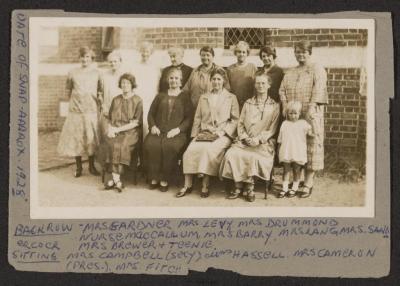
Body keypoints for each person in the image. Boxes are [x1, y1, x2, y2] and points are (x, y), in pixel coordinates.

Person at [177, 67, 239, 198]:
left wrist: (222, 132)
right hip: (204, 133)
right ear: (210, 81)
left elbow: (235, 120)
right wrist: (194, 136)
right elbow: (198, 118)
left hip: (222, 135)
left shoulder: (231, 98)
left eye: (219, 79)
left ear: (223, 81)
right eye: (214, 79)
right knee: (190, 150)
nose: (216, 82)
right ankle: (187, 184)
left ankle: (205, 184)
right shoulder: (204, 97)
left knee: (207, 151)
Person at [220, 72, 280, 202]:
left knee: (253, 156)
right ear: (255, 85)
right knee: (232, 154)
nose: (260, 86)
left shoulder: (274, 106)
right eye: (258, 83)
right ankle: (238, 185)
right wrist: (244, 137)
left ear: (269, 85)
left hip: (262, 143)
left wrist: (258, 139)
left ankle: (249, 187)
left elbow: (272, 128)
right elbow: (240, 123)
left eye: (263, 83)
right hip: (245, 141)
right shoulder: (248, 103)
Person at [279, 40, 328, 198]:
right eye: (297, 52)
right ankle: (296, 181)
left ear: (309, 53)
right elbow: (282, 90)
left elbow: (319, 88)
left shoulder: (316, 68)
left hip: (310, 113)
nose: (300, 55)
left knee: (311, 146)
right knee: (296, 147)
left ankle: (308, 183)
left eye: (303, 52)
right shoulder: (291, 72)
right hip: (293, 116)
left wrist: (311, 108)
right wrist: (285, 105)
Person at [144, 68, 193, 192]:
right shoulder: (160, 95)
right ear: (167, 80)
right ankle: (154, 177)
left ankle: (165, 179)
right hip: (158, 131)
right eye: (171, 78)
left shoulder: (185, 97)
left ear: (181, 81)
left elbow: (189, 118)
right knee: (151, 144)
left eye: (176, 78)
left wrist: (178, 130)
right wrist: (153, 126)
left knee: (169, 146)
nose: (174, 80)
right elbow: (150, 114)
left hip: (176, 133)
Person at [57, 46, 103, 178]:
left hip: (91, 111)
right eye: (82, 56)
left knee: (91, 139)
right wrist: (71, 106)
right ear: (79, 58)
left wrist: (99, 98)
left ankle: (91, 166)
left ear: (91, 59)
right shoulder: (72, 72)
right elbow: (68, 90)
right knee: (76, 139)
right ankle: (78, 167)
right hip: (76, 111)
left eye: (87, 56)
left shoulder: (97, 73)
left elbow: (100, 90)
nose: (84, 59)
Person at [104, 73, 143, 192]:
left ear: (132, 85)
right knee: (111, 143)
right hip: (115, 130)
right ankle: (117, 180)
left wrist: (117, 130)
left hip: (130, 132)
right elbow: (110, 118)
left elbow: (135, 123)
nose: (125, 85)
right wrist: (110, 129)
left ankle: (114, 179)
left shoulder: (138, 100)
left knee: (121, 145)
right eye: (123, 83)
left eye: (127, 83)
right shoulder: (116, 99)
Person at [277, 101, 314, 198]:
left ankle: (294, 188)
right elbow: (280, 139)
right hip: (286, 150)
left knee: (297, 170)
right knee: (286, 170)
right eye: (291, 113)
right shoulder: (284, 124)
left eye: (295, 113)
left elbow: (310, 131)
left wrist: (311, 132)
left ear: (299, 113)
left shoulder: (303, 123)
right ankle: (284, 188)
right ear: (287, 113)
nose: (293, 116)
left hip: (298, 151)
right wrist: (278, 150)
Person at [131, 41, 161, 138]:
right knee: (136, 122)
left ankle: (146, 148)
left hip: (150, 99)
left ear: (151, 53)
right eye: (143, 51)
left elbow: (157, 85)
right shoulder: (135, 66)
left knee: (147, 122)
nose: (145, 54)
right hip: (138, 98)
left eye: (147, 51)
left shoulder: (155, 67)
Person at [227, 41, 257, 109]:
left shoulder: (252, 68)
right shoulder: (230, 69)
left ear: (247, 53)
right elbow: (227, 89)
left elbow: (256, 87)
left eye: (244, 52)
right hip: (234, 104)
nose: (241, 54)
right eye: (239, 52)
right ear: (235, 53)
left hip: (250, 104)